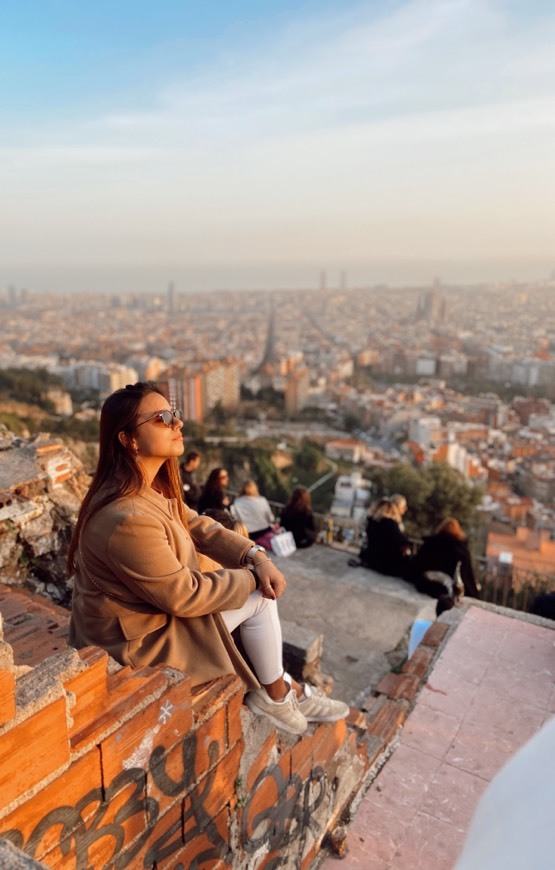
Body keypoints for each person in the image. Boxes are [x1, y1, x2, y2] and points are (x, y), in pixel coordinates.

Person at [67, 382, 348, 735]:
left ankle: (288, 688)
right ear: (128, 439)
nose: (177, 424)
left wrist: (254, 554)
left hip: (143, 622)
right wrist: (252, 577)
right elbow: (183, 594)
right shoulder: (127, 516)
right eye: (163, 418)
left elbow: (198, 525)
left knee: (248, 596)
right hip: (135, 644)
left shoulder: (139, 490)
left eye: (176, 416)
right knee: (261, 598)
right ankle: (277, 695)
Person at [411, 517, 479, 599]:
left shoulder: (430, 544)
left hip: (427, 584)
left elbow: (418, 564)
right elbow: (466, 576)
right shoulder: (460, 551)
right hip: (449, 589)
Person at [354, 495, 412, 579]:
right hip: (385, 564)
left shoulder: (374, 521)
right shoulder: (391, 524)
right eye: (403, 507)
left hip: (372, 559)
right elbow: (402, 542)